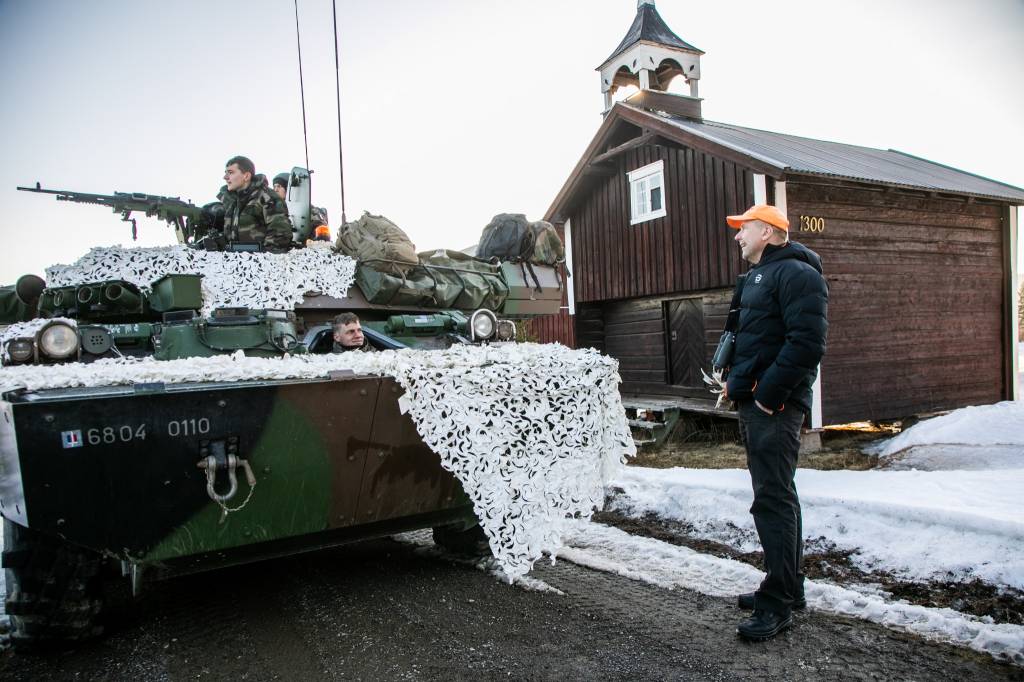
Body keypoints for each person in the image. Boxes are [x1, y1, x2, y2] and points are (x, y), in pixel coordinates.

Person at [723, 204, 828, 641]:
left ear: (767, 231)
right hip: (756, 401)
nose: (737, 236)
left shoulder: (798, 274)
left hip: (776, 406)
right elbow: (752, 339)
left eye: (743, 228)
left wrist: (767, 395)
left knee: (772, 501)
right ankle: (789, 586)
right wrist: (734, 382)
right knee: (777, 495)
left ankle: (778, 603)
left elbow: (806, 343)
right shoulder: (757, 277)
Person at [216, 156, 293, 252]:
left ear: (246, 176)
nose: (225, 177)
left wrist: (262, 260)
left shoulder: (266, 197)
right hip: (236, 263)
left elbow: (280, 234)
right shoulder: (232, 202)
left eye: (231, 173)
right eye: (225, 173)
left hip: (261, 263)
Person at [273, 172, 330, 241]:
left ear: (287, 188)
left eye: (279, 186)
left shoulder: (306, 208)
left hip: (305, 249)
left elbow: (321, 229)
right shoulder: (273, 210)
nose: (275, 190)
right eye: (274, 186)